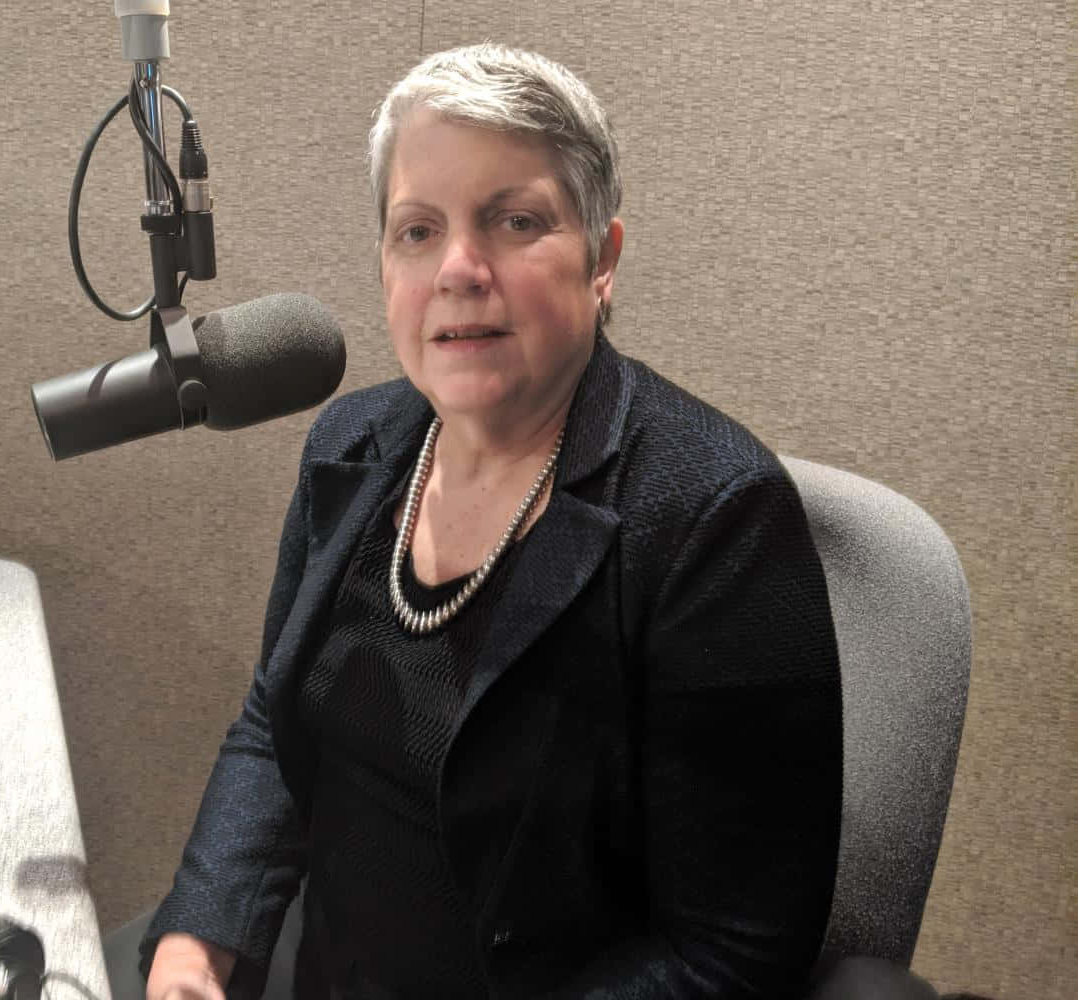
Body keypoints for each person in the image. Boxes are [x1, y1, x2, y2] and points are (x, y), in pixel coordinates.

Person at [139, 43, 844, 999]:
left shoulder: (715, 519)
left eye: (515, 222)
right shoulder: (352, 444)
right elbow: (276, 718)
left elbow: (730, 953)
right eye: (417, 231)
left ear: (604, 260)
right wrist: (200, 943)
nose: (459, 269)